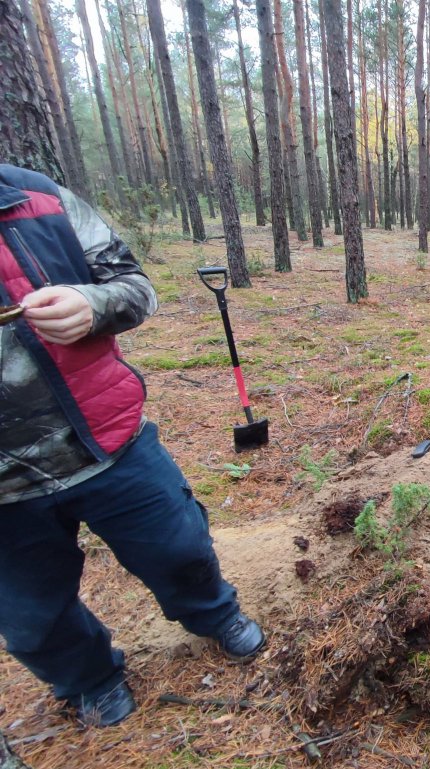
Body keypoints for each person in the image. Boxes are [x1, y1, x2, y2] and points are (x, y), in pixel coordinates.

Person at [0, 164, 265, 728]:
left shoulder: (38, 200)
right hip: (4, 493)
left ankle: (216, 615)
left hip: (110, 437)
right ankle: (88, 679)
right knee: (31, 614)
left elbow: (134, 288)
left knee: (180, 547)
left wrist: (93, 306)